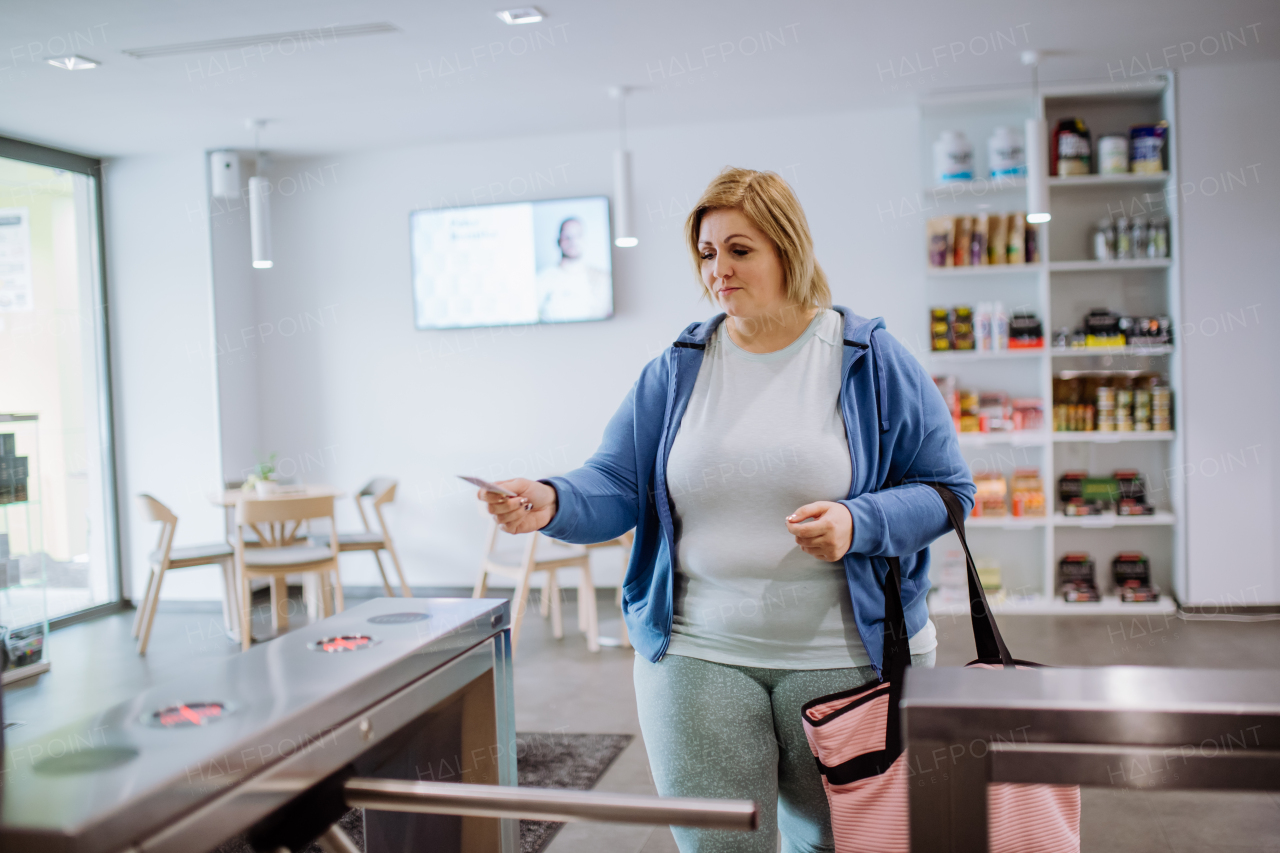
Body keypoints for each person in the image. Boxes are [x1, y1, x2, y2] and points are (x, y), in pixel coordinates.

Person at [480, 168, 974, 853]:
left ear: (787, 250)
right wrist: (553, 499)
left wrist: (859, 522)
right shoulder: (679, 366)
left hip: (844, 657)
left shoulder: (869, 359)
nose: (719, 269)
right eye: (707, 253)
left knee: (837, 844)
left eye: (740, 250)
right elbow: (617, 479)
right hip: (696, 652)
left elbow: (949, 490)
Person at [536, 216, 611, 322]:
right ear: (558, 241)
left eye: (578, 235)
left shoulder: (603, 279)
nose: (573, 241)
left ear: (584, 239)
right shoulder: (542, 279)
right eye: (567, 236)